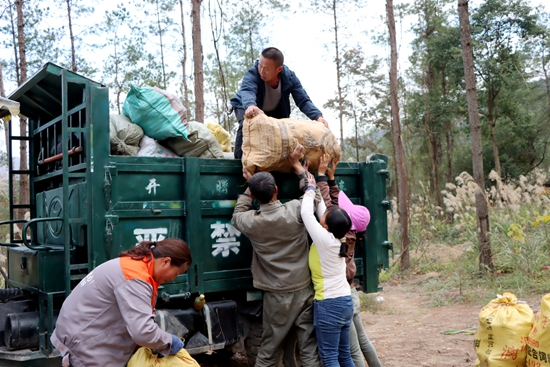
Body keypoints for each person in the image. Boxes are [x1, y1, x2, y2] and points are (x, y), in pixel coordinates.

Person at [50, 238, 192, 367]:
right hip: (83, 343)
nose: (174, 278)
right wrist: (169, 341)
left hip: (78, 332)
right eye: (177, 273)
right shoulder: (135, 277)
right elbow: (142, 332)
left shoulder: (134, 264)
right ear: (166, 261)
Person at [231, 167, 321, 367]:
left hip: (276, 295)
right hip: (304, 288)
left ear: (254, 196)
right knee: (308, 348)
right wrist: (300, 170)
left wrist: (248, 189)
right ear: (277, 190)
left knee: (269, 351)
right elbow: (314, 197)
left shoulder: (251, 222)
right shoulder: (296, 210)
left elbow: (237, 214)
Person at [290, 144, 355, 367]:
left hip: (329, 305)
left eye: (325, 217)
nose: (323, 214)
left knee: (329, 358)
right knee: (344, 356)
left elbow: (307, 212)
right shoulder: (337, 237)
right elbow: (320, 209)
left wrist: (309, 189)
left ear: (325, 226)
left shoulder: (324, 239)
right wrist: (309, 175)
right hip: (345, 302)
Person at [316, 154, 382, 367]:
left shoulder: (338, 234)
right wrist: (332, 178)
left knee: (351, 351)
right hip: (349, 292)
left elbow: (328, 204)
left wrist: (320, 177)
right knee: (362, 341)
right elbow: (335, 204)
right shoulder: (351, 234)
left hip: (340, 294)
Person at [230, 46, 329, 159]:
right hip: (245, 104)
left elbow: (303, 101)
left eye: (266, 68)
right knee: (248, 123)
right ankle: (239, 163)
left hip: (274, 111)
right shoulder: (254, 72)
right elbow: (248, 89)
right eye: (260, 66)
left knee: (280, 133)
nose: (261, 71)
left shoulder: (290, 78)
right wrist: (250, 105)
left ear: (279, 69)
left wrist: (318, 116)